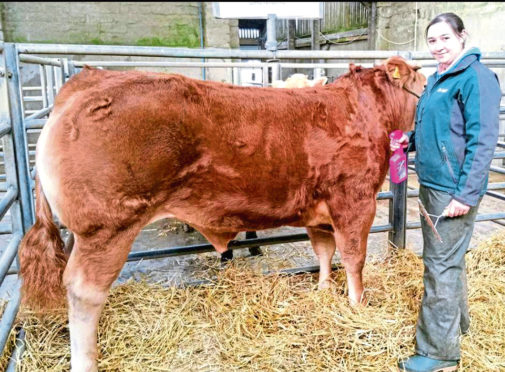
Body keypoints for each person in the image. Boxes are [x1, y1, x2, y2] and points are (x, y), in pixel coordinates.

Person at [391, 12, 502, 372]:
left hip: (453, 191)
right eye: (432, 40)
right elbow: (438, 128)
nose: (438, 46)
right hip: (434, 185)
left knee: (439, 266)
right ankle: (459, 328)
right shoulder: (440, 78)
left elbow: (482, 141)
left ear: (462, 37)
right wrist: (408, 142)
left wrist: (466, 195)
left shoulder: (476, 78)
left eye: (445, 38)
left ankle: (439, 355)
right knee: (448, 261)